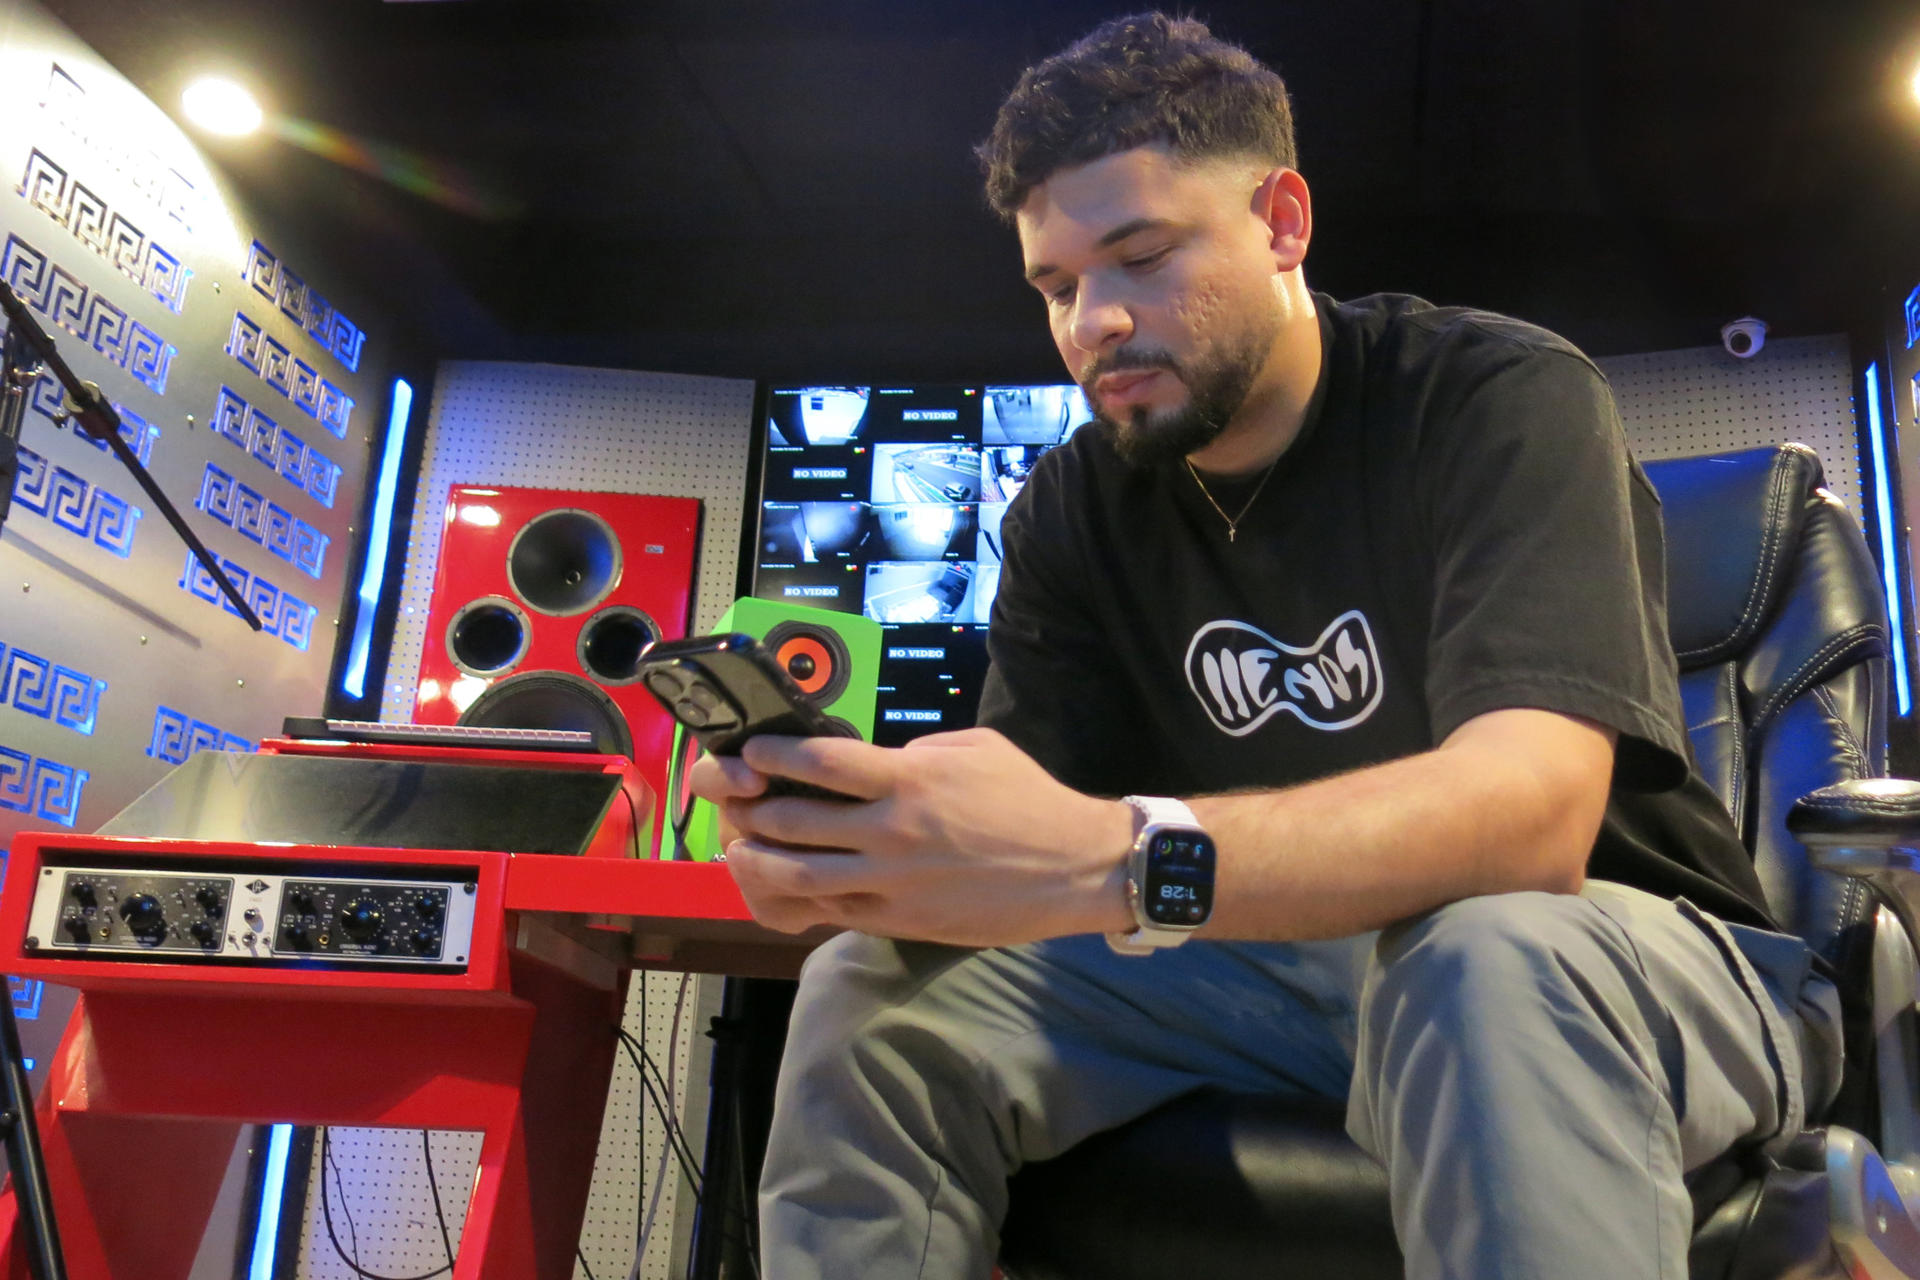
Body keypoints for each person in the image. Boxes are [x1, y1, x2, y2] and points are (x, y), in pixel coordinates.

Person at [690, 12, 1844, 1279]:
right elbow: (1027, 849)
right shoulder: (1074, 509)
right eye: (1059, 285)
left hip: (1631, 953)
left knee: (1483, 956)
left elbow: (1532, 826)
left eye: (1140, 256)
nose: (1094, 327)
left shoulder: (1495, 397)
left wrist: (1124, 856)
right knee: (872, 992)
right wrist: (862, 858)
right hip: (1274, 974)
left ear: (1283, 220)